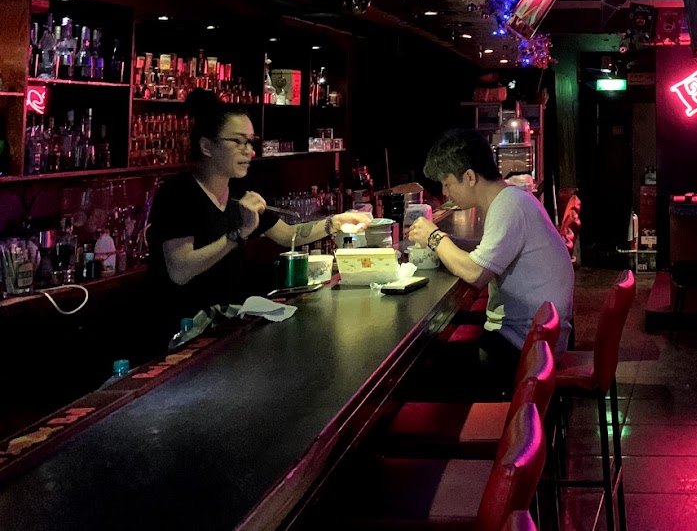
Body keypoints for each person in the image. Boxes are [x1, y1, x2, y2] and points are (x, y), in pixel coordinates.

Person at [145, 89, 369, 345]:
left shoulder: (239, 191)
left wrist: (335, 222)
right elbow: (180, 269)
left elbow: (287, 235)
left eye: (250, 142)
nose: (249, 151)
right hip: (180, 335)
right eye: (238, 142)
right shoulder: (179, 193)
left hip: (222, 327)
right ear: (207, 146)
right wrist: (239, 234)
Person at [407, 128, 574, 397]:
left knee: (414, 374)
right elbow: (484, 255)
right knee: (429, 358)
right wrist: (448, 244)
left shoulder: (509, 206)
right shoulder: (512, 199)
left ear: (469, 177)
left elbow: (475, 273)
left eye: (447, 183)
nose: (445, 192)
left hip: (522, 350)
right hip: (535, 341)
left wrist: (435, 238)